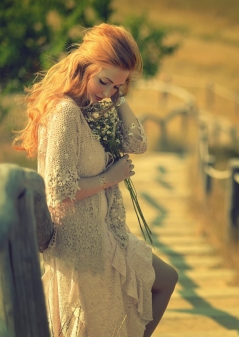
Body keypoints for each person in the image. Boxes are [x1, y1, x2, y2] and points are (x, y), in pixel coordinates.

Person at [13, 23, 178, 337]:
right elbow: (58, 191)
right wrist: (108, 177)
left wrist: (118, 98)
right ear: (84, 66)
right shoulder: (65, 112)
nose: (107, 92)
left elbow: (137, 143)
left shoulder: (89, 109)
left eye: (117, 86)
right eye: (104, 81)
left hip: (107, 235)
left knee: (165, 279)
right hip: (81, 244)